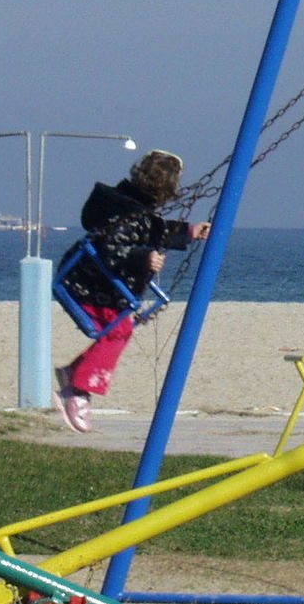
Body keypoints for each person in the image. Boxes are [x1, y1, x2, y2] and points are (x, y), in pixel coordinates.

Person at [53, 150, 211, 433]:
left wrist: (189, 231)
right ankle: (76, 392)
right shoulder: (127, 214)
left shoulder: (129, 208)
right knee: (119, 331)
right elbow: (112, 247)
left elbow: (154, 230)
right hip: (86, 286)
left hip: (94, 284)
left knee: (120, 329)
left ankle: (72, 373)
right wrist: (143, 258)